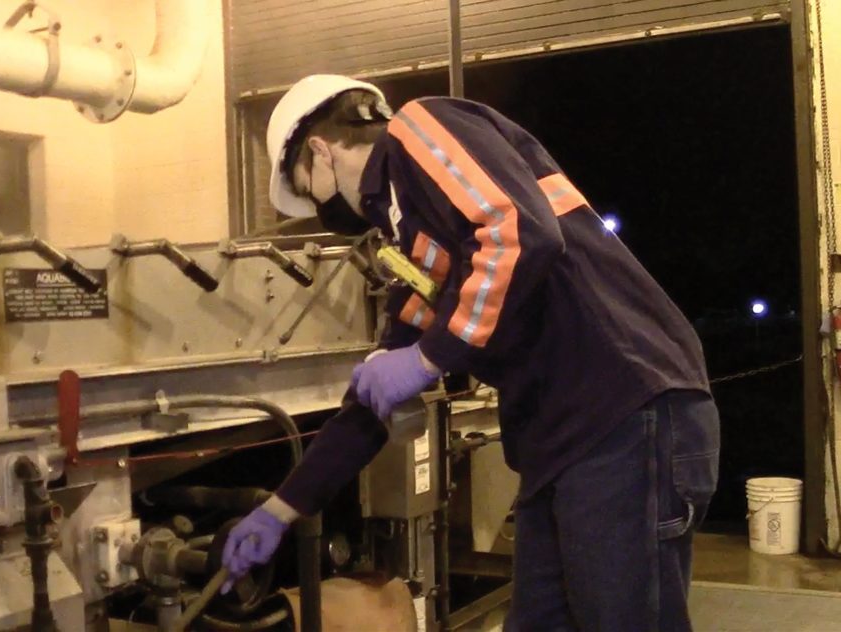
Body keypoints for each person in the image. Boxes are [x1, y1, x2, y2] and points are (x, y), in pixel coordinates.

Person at [220, 74, 720, 631]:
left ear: (319, 148)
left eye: (307, 186)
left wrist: (429, 358)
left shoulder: (419, 128)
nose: (323, 206)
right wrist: (282, 509)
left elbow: (521, 233)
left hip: (626, 410)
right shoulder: (412, 246)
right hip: (560, 444)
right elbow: (371, 405)